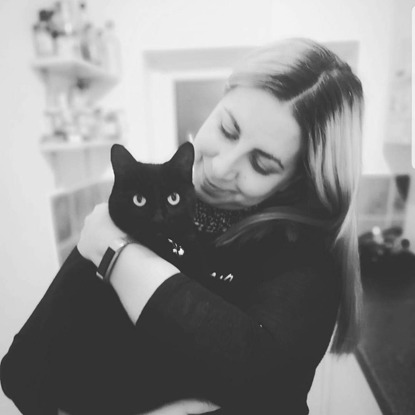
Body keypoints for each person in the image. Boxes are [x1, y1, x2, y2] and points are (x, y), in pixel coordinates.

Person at [1, 37, 364, 415]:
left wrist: (115, 254)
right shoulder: (148, 207)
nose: (221, 168)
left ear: (294, 181)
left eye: (261, 164)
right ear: (219, 102)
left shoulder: (301, 257)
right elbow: (19, 371)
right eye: (227, 128)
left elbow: (269, 389)